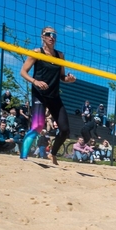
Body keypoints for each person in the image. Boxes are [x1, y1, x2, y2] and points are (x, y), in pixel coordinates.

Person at [19, 26, 77, 164]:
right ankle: (23, 155)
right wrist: (35, 81)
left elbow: (62, 76)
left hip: (54, 96)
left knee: (65, 130)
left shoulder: (60, 55)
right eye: (48, 34)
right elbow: (23, 72)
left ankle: (53, 154)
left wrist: (69, 80)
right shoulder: (37, 52)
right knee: (38, 125)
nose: (52, 37)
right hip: (39, 94)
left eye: (54, 35)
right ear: (42, 36)